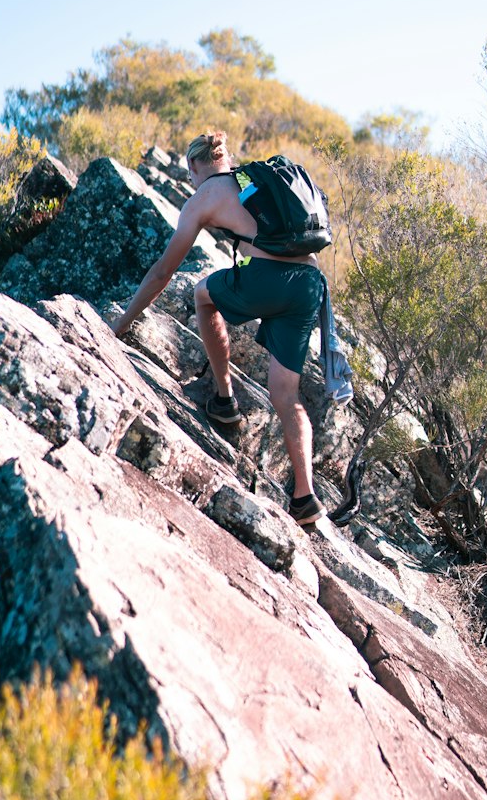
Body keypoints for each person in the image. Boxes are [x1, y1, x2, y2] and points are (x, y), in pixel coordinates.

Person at [111, 130, 326, 524]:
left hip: (267, 278)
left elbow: (162, 272)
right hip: (310, 284)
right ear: (224, 159)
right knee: (285, 394)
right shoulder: (255, 182)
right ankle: (304, 495)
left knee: (202, 294)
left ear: (194, 166)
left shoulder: (204, 197)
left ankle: (224, 400)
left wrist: (123, 322)